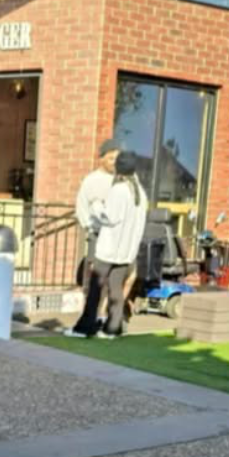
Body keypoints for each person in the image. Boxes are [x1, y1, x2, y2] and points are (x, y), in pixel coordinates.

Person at [70, 138, 149, 339]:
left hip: (109, 246)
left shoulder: (120, 189)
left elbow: (110, 217)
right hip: (125, 249)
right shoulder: (139, 190)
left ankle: (85, 327)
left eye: (117, 160)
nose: (113, 162)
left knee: (96, 287)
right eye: (110, 157)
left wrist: (97, 205)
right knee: (116, 287)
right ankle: (113, 328)